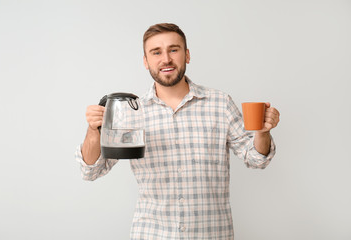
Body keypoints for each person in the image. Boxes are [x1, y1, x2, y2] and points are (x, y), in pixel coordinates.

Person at [75, 23, 280, 240]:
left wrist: (263, 131)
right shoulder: (131, 112)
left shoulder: (220, 103)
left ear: (187, 55)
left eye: (174, 49)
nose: (166, 59)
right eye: (156, 52)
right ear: (145, 61)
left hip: (211, 234)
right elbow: (92, 171)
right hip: (152, 234)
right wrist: (93, 131)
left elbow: (257, 159)